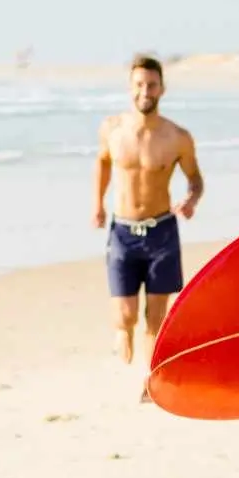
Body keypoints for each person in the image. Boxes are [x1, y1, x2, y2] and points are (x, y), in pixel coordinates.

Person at [93, 54, 204, 386]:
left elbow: (196, 179)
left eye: (152, 85)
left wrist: (192, 199)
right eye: (139, 84)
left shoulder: (178, 137)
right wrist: (97, 203)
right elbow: (102, 163)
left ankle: (151, 380)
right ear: (130, 88)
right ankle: (123, 331)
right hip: (123, 232)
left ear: (162, 89)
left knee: (156, 317)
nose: (145, 91)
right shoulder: (111, 129)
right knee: (125, 315)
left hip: (162, 234)